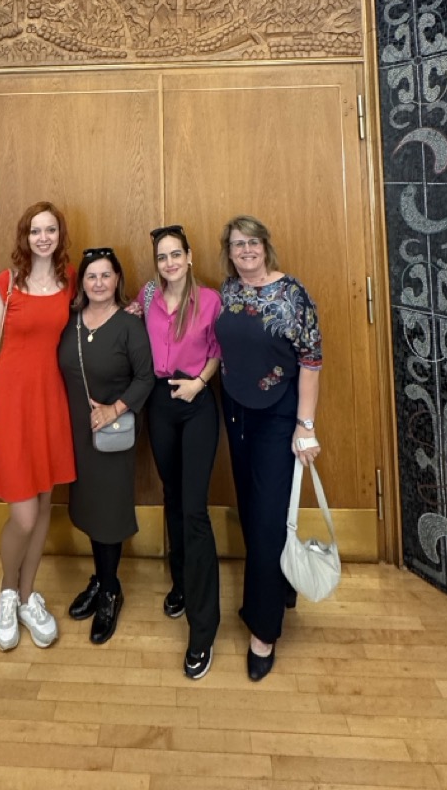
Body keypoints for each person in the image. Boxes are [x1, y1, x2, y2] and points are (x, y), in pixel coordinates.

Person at [215, 215, 322, 681]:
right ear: (229, 251)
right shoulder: (228, 291)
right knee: (252, 510)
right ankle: (279, 586)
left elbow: (311, 361)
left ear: (265, 246)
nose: (246, 250)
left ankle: (263, 631)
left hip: (279, 416)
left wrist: (305, 425)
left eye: (253, 242)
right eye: (237, 244)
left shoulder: (292, 293)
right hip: (236, 412)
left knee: (264, 520)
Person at [0, 202, 76, 653]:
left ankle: (29, 596)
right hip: (10, 406)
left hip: (51, 404)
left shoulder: (71, 282)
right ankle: (7, 592)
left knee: (45, 504)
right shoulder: (7, 283)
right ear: (25, 237)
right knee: (24, 515)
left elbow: (103, 305)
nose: (43, 237)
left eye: (51, 230)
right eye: (36, 230)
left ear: (60, 235)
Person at [129, 224, 222, 681]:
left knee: (194, 511)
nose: (169, 263)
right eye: (162, 257)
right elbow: (128, 323)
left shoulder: (209, 300)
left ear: (189, 256)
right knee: (172, 498)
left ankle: (203, 630)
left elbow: (217, 351)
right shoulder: (148, 296)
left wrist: (199, 384)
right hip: (160, 405)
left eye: (175, 255)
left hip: (196, 402)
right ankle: (181, 584)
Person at [57, 247, 154, 645]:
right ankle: (100, 579)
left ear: (117, 280)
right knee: (88, 506)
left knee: (109, 512)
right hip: (76, 433)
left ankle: (111, 591)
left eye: (106, 276)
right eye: (91, 276)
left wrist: (114, 409)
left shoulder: (129, 325)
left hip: (112, 435)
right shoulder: (70, 322)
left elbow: (146, 377)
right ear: (82, 282)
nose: (98, 283)